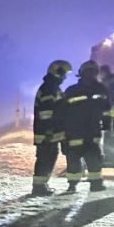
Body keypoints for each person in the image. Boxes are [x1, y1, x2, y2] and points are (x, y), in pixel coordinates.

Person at [59, 60, 111, 192]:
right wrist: (62, 131)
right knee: (73, 158)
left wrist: (106, 123)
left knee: (94, 157)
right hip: (74, 130)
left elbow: (106, 109)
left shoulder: (101, 89)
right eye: (87, 72)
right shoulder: (71, 91)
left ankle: (96, 184)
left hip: (92, 130)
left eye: (93, 72)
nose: (90, 74)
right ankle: (72, 184)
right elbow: (63, 111)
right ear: (81, 74)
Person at [31, 59, 70, 195]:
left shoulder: (51, 87)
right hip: (47, 132)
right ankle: (38, 187)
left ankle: (41, 185)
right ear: (57, 72)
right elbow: (46, 112)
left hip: (49, 131)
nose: (65, 76)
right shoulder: (49, 88)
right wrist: (49, 129)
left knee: (49, 157)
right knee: (45, 158)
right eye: (63, 73)